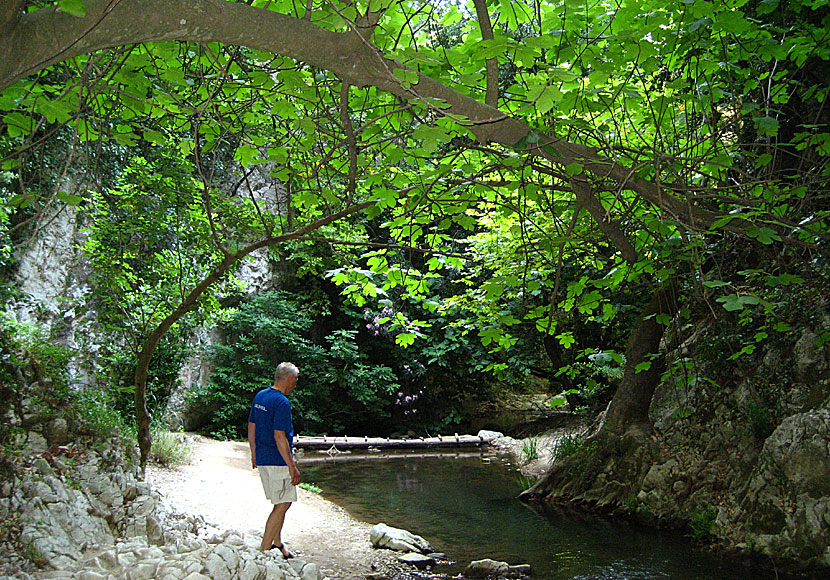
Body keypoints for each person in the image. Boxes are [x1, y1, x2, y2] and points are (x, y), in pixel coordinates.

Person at [248, 361, 301, 557]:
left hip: (263, 458)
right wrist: (292, 466)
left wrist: (254, 453)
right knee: (282, 504)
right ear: (288, 379)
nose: (295, 384)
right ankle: (264, 549)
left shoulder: (260, 396)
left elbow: (251, 425)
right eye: (295, 380)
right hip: (278, 461)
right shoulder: (281, 402)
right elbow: (280, 435)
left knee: (282, 501)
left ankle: (277, 542)